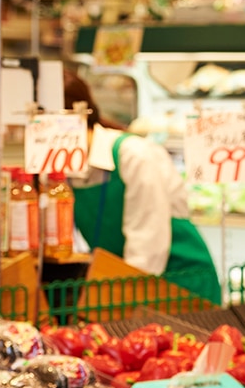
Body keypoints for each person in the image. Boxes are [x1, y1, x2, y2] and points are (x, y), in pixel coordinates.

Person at [60, 70, 223, 306]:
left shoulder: (134, 156)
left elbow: (147, 248)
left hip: (181, 288)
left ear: (73, 115)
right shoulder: (60, 169)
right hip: (127, 289)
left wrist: (114, 304)